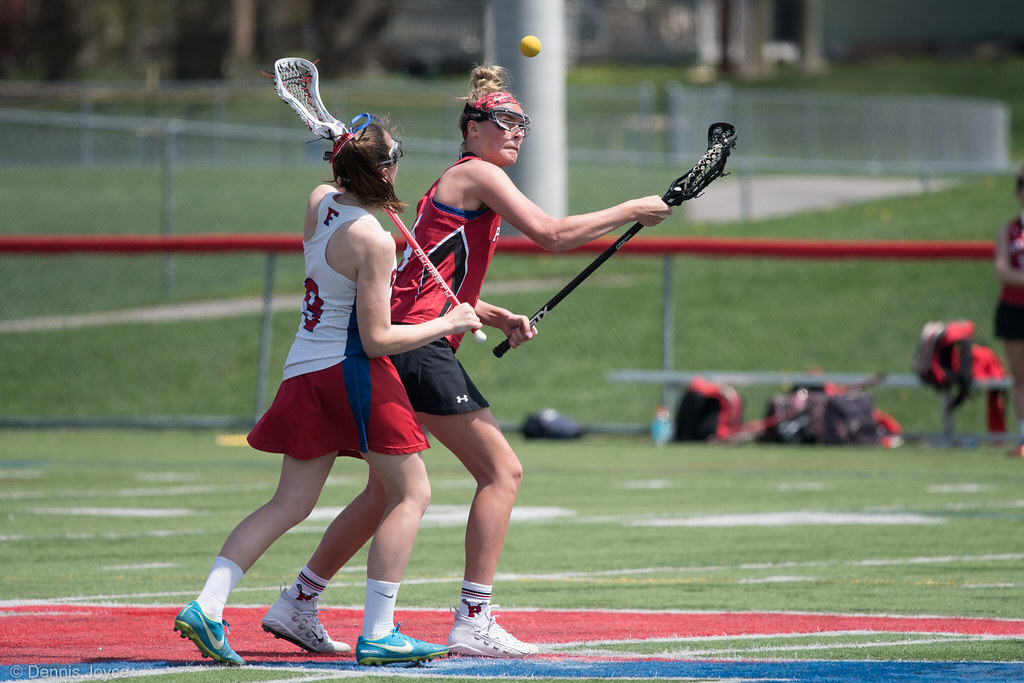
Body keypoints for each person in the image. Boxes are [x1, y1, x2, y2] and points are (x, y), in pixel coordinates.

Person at [262, 65, 672, 658]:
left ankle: (298, 601)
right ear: (471, 128)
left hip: (412, 337)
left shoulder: (453, 184)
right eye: (501, 121)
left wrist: (495, 313)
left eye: (520, 122)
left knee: (383, 493)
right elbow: (553, 234)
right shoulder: (477, 173)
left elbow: (431, 280)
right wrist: (632, 207)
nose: (515, 132)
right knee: (501, 473)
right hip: (419, 347)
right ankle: (473, 619)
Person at [173, 113, 481, 667]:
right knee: (411, 493)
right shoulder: (374, 239)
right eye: (394, 159)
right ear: (382, 171)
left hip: (304, 366)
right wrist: (448, 323)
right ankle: (381, 631)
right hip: (352, 370)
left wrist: (361, 177)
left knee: (289, 502)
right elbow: (379, 338)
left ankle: (208, 604)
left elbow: (345, 192)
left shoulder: (321, 200)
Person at [994, 166, 1024, 457]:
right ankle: (1023, 436)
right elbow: (1002, 270)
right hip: (1014, 308)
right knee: (1020, 374)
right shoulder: (1010, 230)